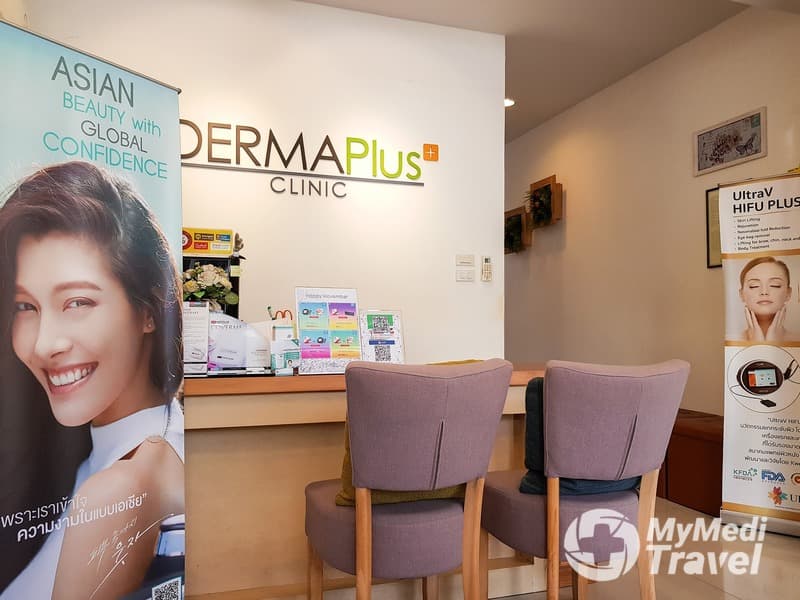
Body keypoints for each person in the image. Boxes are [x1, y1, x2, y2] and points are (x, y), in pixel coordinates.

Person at [0, 161, 184, 600]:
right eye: (26, 307)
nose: (45, 344)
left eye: (77, 302)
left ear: (148, 311)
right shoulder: (102, 452)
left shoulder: (118, 490)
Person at [739, 256, 796, 342]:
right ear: (742, 294)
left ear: (788, 293)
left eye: (775, 285)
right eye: (754, 286)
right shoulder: (732, 340)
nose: (764, 292)